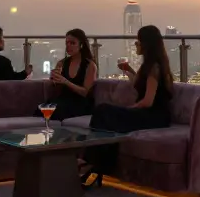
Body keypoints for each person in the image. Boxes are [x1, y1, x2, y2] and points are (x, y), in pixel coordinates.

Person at [81, 25, 173, 187]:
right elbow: (138, 84)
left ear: (146, 44)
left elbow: (148, 101)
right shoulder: (149, 65)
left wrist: (129, 109)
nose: (136, 45)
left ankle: (92, 163)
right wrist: (128, 69)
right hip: (149, 113)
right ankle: (97, 164)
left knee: (104, 112)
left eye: (138, 42)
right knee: (106, 119)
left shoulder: (154, 67)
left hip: (155, 116)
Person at [47, 28, 97, 120]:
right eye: (67, 43)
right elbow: (57, 89)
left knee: (58, 110)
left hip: (80, 103)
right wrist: (54, 81)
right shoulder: (61, 63)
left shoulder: (90, 65)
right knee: (44, 108)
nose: (68, 46)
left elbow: (85, 92)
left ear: (81, 45)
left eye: (72, 43)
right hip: (63, 100)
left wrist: (66, 82)